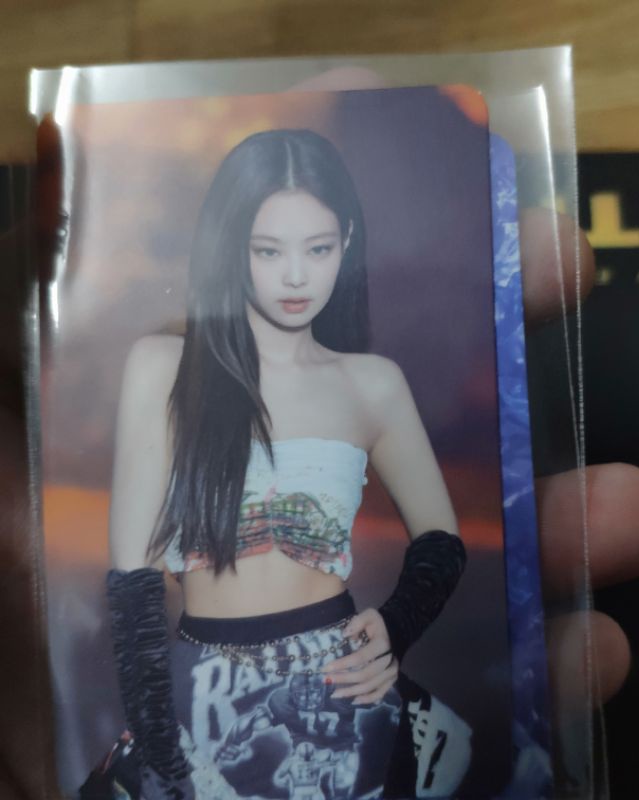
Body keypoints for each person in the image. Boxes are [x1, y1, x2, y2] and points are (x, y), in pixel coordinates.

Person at [81, 128, 473, 800]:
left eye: (318, 249)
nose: (296, 276)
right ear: (231, 246)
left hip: (342, 687)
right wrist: (160, 745)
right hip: (201, 685)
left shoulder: (372, 382)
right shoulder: (162, 367)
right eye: (268, 250)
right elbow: (134, 583)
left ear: (347, 241)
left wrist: (395, 626)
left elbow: (441, 538)